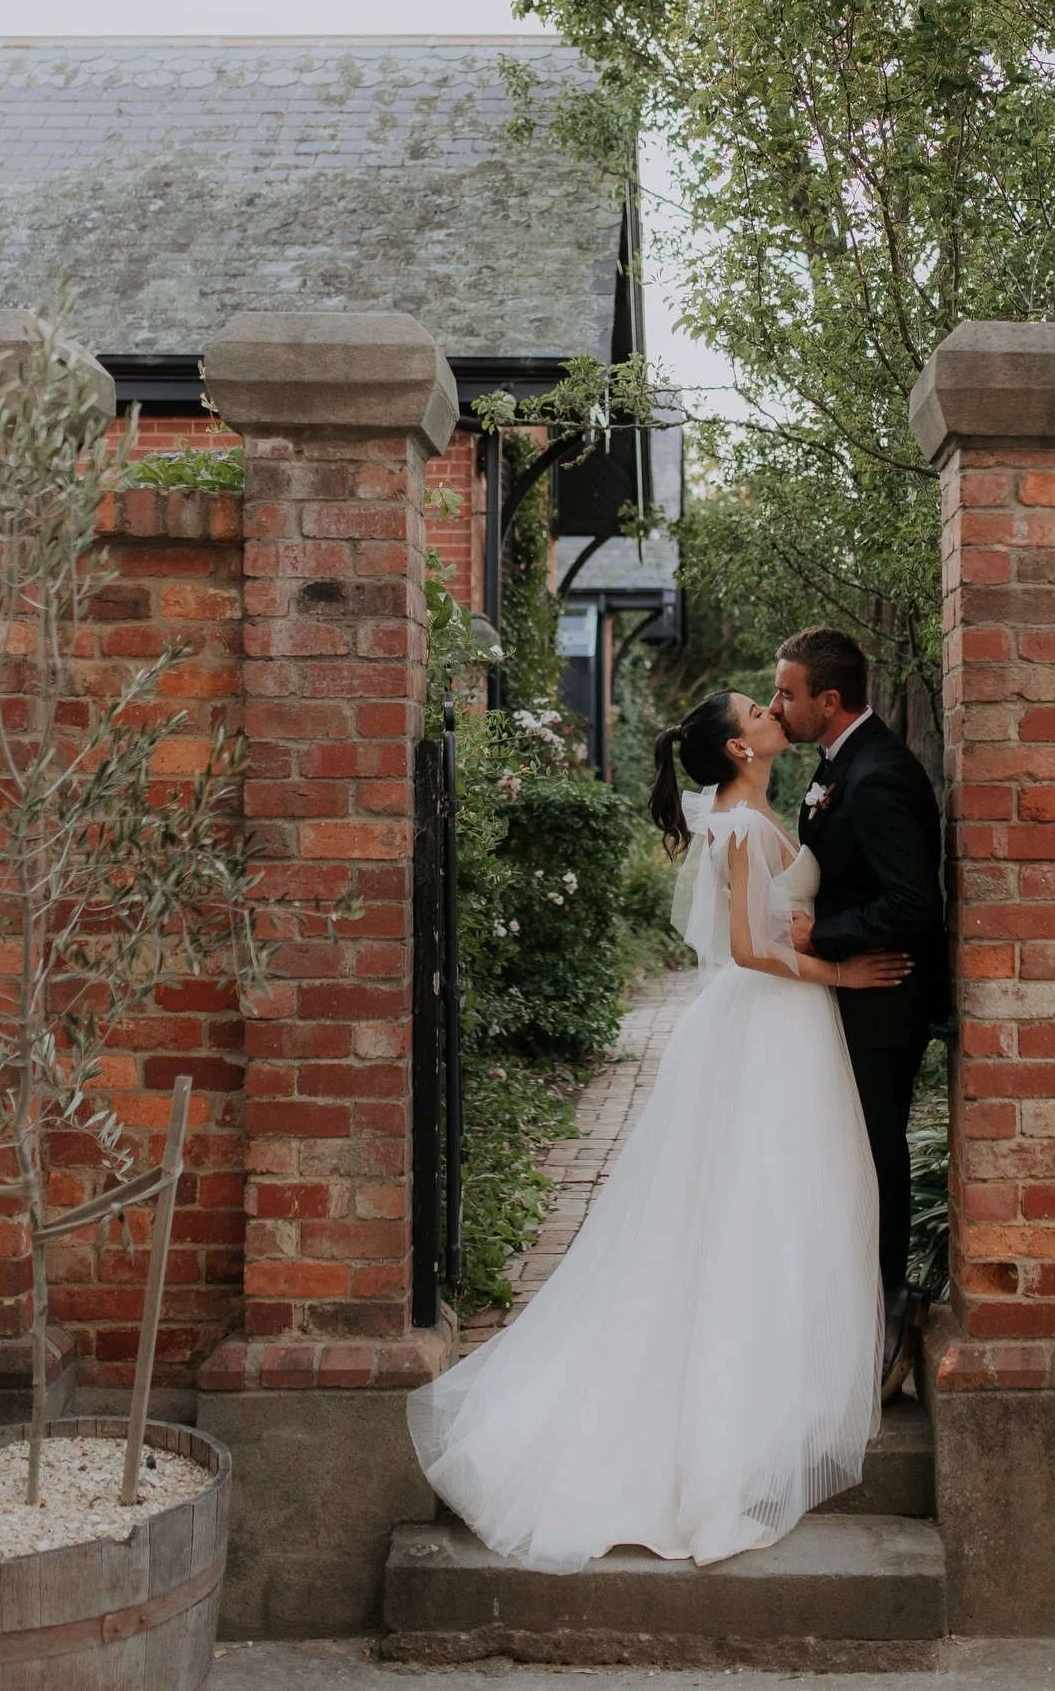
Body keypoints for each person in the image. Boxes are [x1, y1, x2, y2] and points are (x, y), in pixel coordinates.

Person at [407, 689, 908, 1573]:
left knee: (753, 1205)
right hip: (772, 1018)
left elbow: (764, 929)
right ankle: (738, 1408)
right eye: (759, 710)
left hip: (767, 1023)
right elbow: (751, 948)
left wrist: (811, 937)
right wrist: (843, 971)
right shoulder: (744, 826)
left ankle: (766, 1381)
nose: (770, 712)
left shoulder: (738, 813)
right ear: (737, 746)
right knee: (763, 1204)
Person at [771, 626, 949, 1401]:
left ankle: (888, 1312)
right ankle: (857, 1309)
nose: (779, 704)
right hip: (853, 990)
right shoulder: (842, 763)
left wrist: (827, 936)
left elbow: (913, 903)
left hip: (883, 997)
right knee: (853, 1155)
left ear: (828, 699)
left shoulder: (878, 776)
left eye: (787, 692)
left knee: (877, 1156)